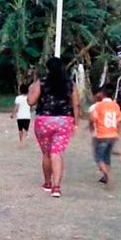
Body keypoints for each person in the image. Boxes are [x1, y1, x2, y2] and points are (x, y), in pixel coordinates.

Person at [27, 57, 80, 198]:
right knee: (56, 153)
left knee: (46, 154)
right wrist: (76, 123)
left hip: (44, 120)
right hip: (64, 121)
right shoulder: (70, 84)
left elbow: (30, 102)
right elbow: (76, 104)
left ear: (47, 68)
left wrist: (31, 89)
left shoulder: (41, 82)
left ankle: (47, 183)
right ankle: (56, 188)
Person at [90, 83, 121, 187]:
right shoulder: (115, 105)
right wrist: (118, 133)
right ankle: (105, 178)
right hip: (112, 134)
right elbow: (119, 121)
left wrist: (92, 129)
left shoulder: (99, 106)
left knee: (99, 158)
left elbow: (92, 118)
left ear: (102, 94)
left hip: (102, 135)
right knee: (107, 156)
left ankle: (108, 175)